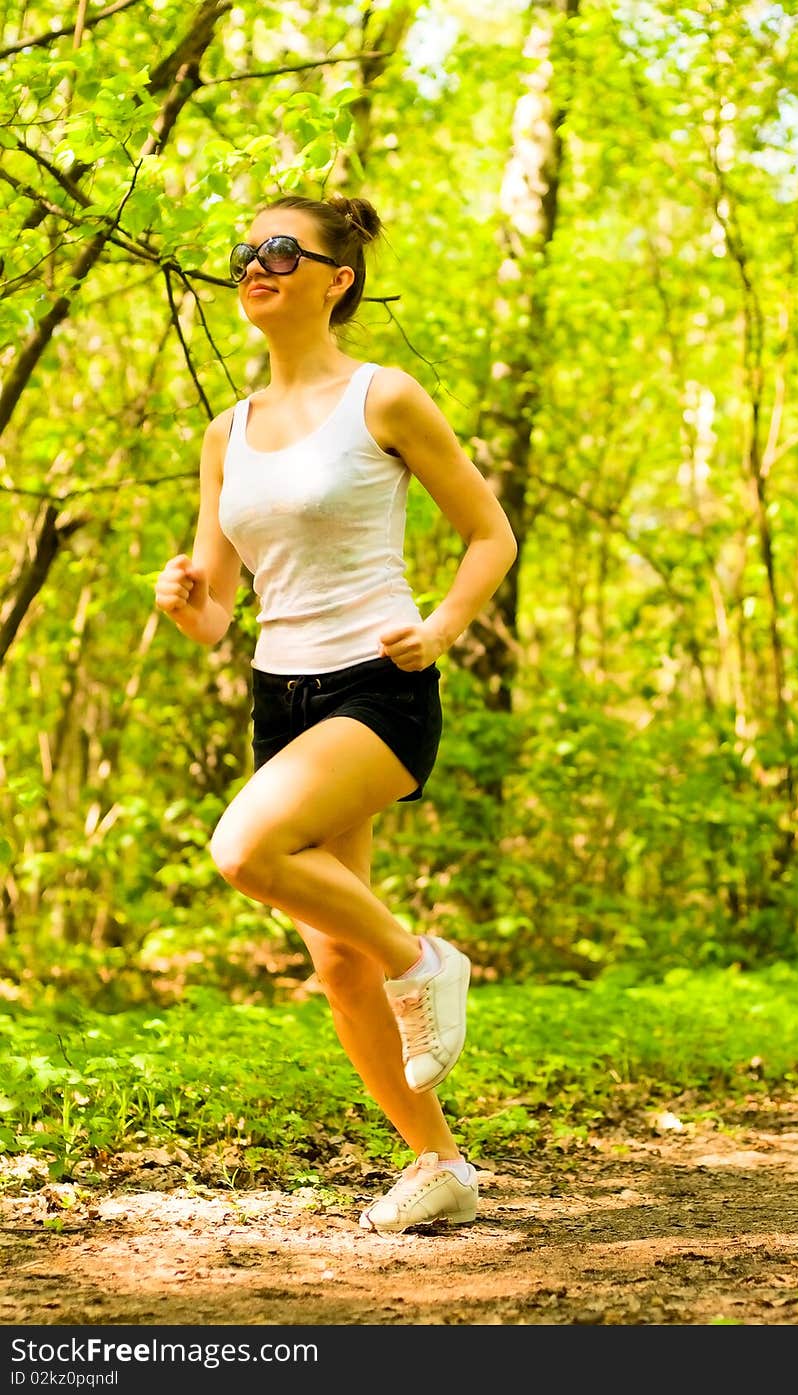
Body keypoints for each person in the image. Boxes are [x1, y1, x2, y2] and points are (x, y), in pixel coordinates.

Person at [153, 192, 517, 1234]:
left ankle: (425, 962)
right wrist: (184, 600)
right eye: (245, 252)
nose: (254, 265)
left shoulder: (384, 398)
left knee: (243, 849)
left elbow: (487, 534)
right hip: (283, 692)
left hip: (378, 685)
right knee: (331, 959)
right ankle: (436, 1163)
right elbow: (218, 614)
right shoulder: (227, 432)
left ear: (335, 279)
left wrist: (442, 625)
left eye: (280, 250)